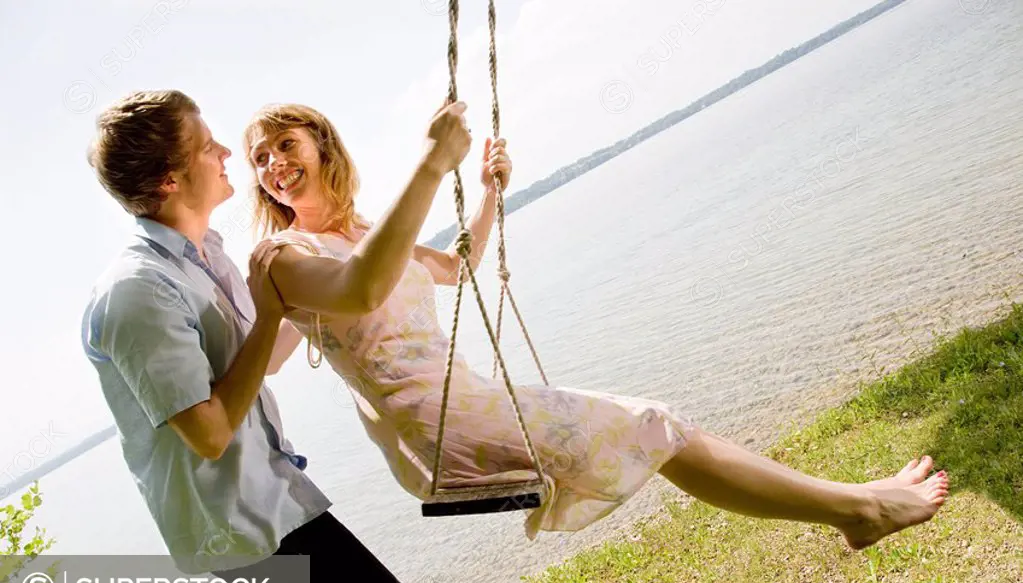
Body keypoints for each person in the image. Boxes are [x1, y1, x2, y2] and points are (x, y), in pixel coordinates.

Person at [243, 101, 949, 549]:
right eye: (260, 159)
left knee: (657, 426)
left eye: (283, 144)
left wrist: (489, 193)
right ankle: (856, 509)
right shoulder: (292, 254)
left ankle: (853, 508)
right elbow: (329, 310)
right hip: (435, 425)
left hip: (468, 399)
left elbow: (454, 268)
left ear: (322, 143)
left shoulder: (368, 233)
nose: (274, 164)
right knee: (654, 424)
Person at [82, 90, 527, 583]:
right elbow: (207, 432)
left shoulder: (209, 259)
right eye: (207, 144)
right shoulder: (136, 293)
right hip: (240, 524)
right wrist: (270, 312)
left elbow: (340, 303)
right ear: (169, 178)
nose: (224, 152)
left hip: (272, 496)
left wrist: (485, 196)